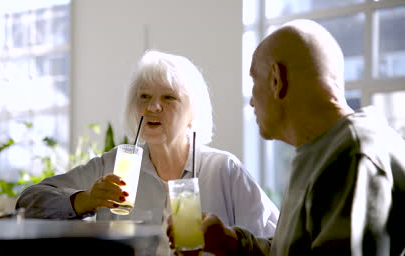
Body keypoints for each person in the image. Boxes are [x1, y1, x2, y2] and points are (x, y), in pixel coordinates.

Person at [168, 19, 405, 255]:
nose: (251, 101)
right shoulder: (323, 151)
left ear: (276, 80)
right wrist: (229, 241)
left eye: (254, 81)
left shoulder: (352, 156)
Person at [15, 50, 279, 252]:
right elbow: (28, 202)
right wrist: (86, 199)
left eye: (168, 97)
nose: (153, 107)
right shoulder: (116, 164)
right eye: (144, 97)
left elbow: (276, 242)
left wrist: (226, 242)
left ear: (192, 113)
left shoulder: (222, 169)